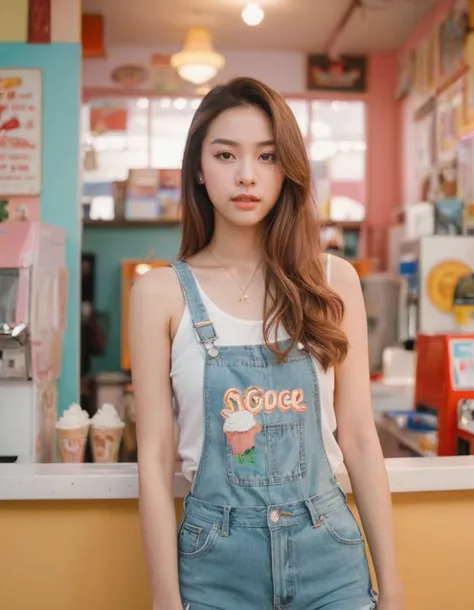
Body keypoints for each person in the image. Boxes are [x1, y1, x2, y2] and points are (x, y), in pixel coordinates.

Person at [129, 77, 403, 610]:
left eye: (268, 156)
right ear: (200, 170)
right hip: (214, 571)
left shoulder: (333, 281)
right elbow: (155, 457)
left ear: (288, 170)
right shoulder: (159, 293)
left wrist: (391, 586)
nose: (247, 175)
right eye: (226, 154)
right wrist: (164, 598)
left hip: (332, 565)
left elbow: (361, 439)